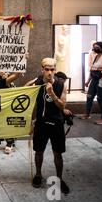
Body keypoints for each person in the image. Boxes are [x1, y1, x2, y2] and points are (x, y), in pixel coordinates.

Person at [28, 58, 70, 194]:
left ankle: (59, 178)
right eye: (47, 69)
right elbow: (24, 90)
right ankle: (38, 175)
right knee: (39, 151)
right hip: (41, 123)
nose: (50, 72)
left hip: (56, 123)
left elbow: (62, 105)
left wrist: (52, 93)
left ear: (55, 70)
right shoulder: (38, 82)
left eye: (52, 69)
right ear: (42, 69)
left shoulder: (61, 84)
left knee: (57, 153)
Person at [79, 42, 102, 125]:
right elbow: (92, 70)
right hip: (94, 80)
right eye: (94, 47)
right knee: (89, 96)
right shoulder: (96, 56)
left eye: (97, 47)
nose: (95, 49)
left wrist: (99, 69)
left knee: (100, 99)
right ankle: (87, 114)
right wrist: (88, 81)